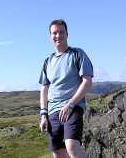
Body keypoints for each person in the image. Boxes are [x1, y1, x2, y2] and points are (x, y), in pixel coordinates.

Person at [39, 19, 93, 158]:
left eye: (61, 32)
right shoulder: (47, 61)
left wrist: (70, 104)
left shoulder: (77, 54)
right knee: (57, 151)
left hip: (72, 107)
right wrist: (43, 114)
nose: (58, 35)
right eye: (54, 33)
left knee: (71, 146)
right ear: (50, 36)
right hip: (52, 111)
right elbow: (44, 89)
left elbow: (87, 81)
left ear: (67, 34)